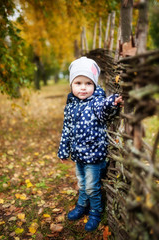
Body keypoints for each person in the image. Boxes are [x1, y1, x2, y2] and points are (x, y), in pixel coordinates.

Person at [58, 56, 123, 231]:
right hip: (79, 155)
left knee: (92, 186)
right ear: (71, 85)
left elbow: (104, 108)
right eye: (78, 83)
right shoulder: (71, 106)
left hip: (94, 157)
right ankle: (82, 205)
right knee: (81, 182)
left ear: (94, 85)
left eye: (88, 83)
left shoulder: (95, 102)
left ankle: (95, 211)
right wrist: (63, 151)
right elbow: (67, 129)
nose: (83, 87)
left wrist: (113, 101)